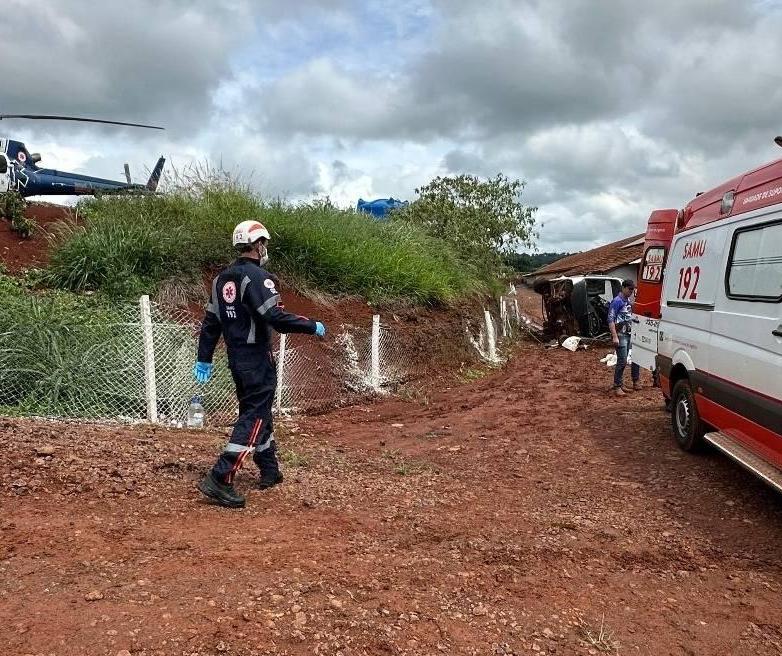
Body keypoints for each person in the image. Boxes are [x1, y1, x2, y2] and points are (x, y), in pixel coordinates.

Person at [193, 220, 326, 508]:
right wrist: (311, 325)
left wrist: (204, 358)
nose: (265, 248)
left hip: (236, 358)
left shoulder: (221, 280)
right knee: (254, 415)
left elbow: (211, 323)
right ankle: (221, 476)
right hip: (256, 358)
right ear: (258, 244)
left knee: (258, 410)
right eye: (263, 243)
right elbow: (274, 316)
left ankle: (269, 468)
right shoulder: (259, 278)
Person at [607, 279, 641, 397]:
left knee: (626, 359)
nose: (631, 292)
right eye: (630, 289)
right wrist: (614, 336)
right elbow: (610, 319)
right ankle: (617, 386)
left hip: (628, 333)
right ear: (624, 288)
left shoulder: (626, 300)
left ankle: (620, 384)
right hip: (621, 334)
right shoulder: (617, 301)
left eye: (633, 289)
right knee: (622, 360)